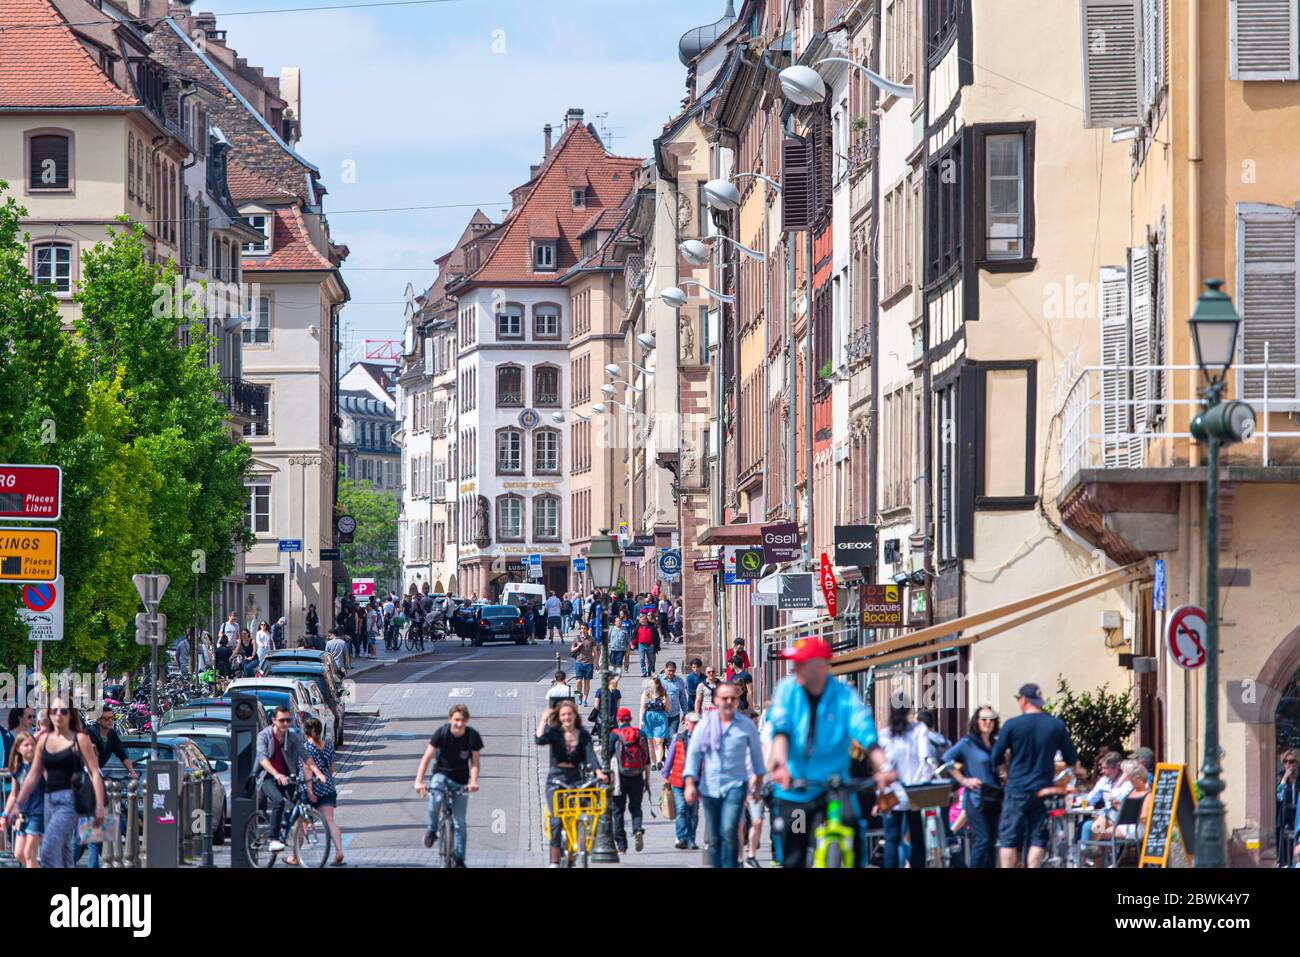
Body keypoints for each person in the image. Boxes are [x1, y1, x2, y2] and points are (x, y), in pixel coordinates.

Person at [766, 638, 892, 869]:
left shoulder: (844, 695)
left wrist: (884, 767)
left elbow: (865, 732)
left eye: (800, 663)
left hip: (835, 786)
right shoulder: (787, 690)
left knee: (853, 831)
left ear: (820, 666)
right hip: (797, 788)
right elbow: (781, 732)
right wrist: (782, 766)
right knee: (794, 851)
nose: (795, 669)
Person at [990, 682, 1083, 869]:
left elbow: (995, 756)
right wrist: (1079, 773)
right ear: (1039, 702)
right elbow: (1070, 759)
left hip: (1017, 789)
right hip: (1043, 790)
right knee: (1037, 836)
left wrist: (1004, 772)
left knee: (1009, 837)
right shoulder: (1056, 725)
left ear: (1023, 701)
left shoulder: (1012, 725)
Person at [12, 698, 105, 868]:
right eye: (54, 711)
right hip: (49, 800)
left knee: (48, 848)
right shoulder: (43, 740)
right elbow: (33, 775)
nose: (58, 715)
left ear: (70, 714)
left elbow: (94, 772)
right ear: (49, 714)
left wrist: (99, 806)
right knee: (63, 851)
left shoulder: (80, 739)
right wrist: (18, 802)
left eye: (63, 711)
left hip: (69, 799)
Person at [683, 683, 764, 868]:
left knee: (729, 829)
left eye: (733, 698)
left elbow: (757, 758)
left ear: (737, 701)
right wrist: (689, 783)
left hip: (736, 785)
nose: (729, 702)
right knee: (714, 837)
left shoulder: (746, 725)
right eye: (724, 698)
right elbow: (694, 755)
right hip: (710, 787)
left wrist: (757, 786)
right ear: (716, 701)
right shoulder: (704, 725)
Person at [535, 700, 607, 866]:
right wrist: (543, 720)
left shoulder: (582, 734)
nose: (566, 717)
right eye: (563, 715)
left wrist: (599, 772)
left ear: (575, 715)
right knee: (556, 819)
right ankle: (554, 859)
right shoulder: (555, 733)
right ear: (559, 718)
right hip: (556, 780)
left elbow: (590, 754)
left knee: (588, 809)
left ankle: (583, 840)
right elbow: (539, 740)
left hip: (575, 778)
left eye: (569, 714)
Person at [415, 704, 482, 867]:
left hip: (460, 780)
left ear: (467, 721)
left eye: (463, 720)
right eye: (456, 720)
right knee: (435, 797)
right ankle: (432, 830)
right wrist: (419, 781)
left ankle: (459, 859)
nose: (459, 724)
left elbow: (475, 762)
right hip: (441, 775)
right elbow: (426, 757)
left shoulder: (472, 736)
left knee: (459, 822)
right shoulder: (442, 734)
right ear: (450, 719)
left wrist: (473, 781)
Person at [255, 706, 325, 861]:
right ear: (274, 721)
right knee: (279, 801)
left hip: (287, 777)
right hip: (267, 777)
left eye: (288, 720)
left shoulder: (292, 735)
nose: (286, 723)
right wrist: (276, 773)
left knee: (299, 805)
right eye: (282, 720)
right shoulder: (264, 736)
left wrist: (318, 773)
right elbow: (263, 758)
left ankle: (292, 845)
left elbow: (305, 755)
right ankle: (273, 839)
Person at [944, 706, 1002, 868]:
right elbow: (946, 760)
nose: (988, 723)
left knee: (991, 841)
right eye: (984, 719)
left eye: (991, 719)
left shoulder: (995, 744)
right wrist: (963, 780)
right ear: (976, 721)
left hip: (994, 796)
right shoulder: (968, 743)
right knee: (982, 840)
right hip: (976, 798)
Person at [878, 703, 934, 869]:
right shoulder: (919, 729)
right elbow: (926, 759)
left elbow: (880, 764)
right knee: (917, 839)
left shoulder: (884, 734)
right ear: (909, 711)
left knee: (891, 840)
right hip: (914, 790)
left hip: (889, 792)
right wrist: (926, 778)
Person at [301, 717, 344, 866]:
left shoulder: (305, 748)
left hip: (310, 787)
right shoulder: (329, 746)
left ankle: (295, 855)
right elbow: (332, 769)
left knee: (302, 823)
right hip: (327, 787)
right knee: (330, 821)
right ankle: (339, 851)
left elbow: (307, 770)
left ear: (305, 732)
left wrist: (310, 791)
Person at [608, 706, 650, 853]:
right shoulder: (640, 734)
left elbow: (607, 757)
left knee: (618, 811)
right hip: (637, 775)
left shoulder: (614, 734)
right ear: (630, 719)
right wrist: (647, 781)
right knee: (636, 807)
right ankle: (637, 829)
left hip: (619, 778)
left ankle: (621, 846)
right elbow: (647, 760)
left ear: (618, 719)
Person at [1089, 759, 1152, 849]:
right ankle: (1095, 853)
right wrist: (1119, 807)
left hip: (1135, 828)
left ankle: (1093, 852)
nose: (1129, 781)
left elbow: (1144, 818)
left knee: (1099, 832)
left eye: (1130, 778)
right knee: (1098, 822)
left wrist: (1126, 812)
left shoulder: (1147, 795)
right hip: (1124, 823)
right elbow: (1114, 797)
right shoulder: (1133, 791)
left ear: (1137, 778)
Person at [2, 731, 43, 867]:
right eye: (26, 745)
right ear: (18, 748)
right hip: (22, 814)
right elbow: (14, 794)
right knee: (19, 853)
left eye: (33, 745)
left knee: (29, 853)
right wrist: (5, 815)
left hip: (38, 812)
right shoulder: (17, 767)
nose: (30, 748)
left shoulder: (40, 766)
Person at [664, 712, 701, 850]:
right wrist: (666, 774)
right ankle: (681, 837)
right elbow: (671, 756)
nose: (695, 726)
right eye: (693, 723)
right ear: (686, 723)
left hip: (696, 781)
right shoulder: (678, 738)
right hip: (678, 780)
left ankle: (691, 838)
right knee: (681, 809)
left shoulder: (703, 740)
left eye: (697, 723)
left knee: (693, 811)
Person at [640, 675, 670, 769]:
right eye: (650, 683)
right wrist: (640, 721)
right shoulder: (646, 693)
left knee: (659, 741)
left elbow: (668, 709)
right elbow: (642, 708)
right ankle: (653, 763)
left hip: (660, 717)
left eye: (652, 683)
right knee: (649, 742)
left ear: (657, 684)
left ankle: (659, 761)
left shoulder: (663, 693)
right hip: (648, 718)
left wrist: (666, 704)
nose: (650, 685)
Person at [658, 660, 689, 741]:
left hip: (674, 714)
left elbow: (683, 698)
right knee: (662, 738)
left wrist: (686, 713)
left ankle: (670, 753)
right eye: (669, 671)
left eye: (673, 671)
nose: (671, 673)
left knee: (672, 737)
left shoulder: (679, 681)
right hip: (661, 714)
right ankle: (662, 753)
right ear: (665, 669)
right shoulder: (658, 680)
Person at [1278, 749, 1300, 861]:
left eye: (1291, 761)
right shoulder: (1281, 778)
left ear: (1298, 763)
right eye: (1285, 762)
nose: (1288, 765)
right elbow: (1277, 797)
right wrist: (1284, 779)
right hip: (1285, 818)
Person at [570, 626, 595, 707]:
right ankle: (579, 697)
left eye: (584, 628)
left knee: (587, 682)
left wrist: (596, 662)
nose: (583, 630)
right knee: (578, 681)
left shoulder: (591, 639)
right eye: (581, 628)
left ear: (587, 629)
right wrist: (578, 646)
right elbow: (572, 650)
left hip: (589, 663)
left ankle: (585, 700)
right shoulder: (577, 638)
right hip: (579, 662)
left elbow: (595, 651)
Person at [633, 612, 659, 677]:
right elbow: (635, 637)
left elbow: (656, 636)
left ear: (646, 620)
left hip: (650, 645)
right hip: (641, 645)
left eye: (643, 619)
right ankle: (644, 672)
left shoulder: (651, 627)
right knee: (642, 659)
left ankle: (649, 670)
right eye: (641, 620)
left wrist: (655, 645)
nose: (642, 621)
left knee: (651, 660)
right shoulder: (638, 627)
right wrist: (633, 644)